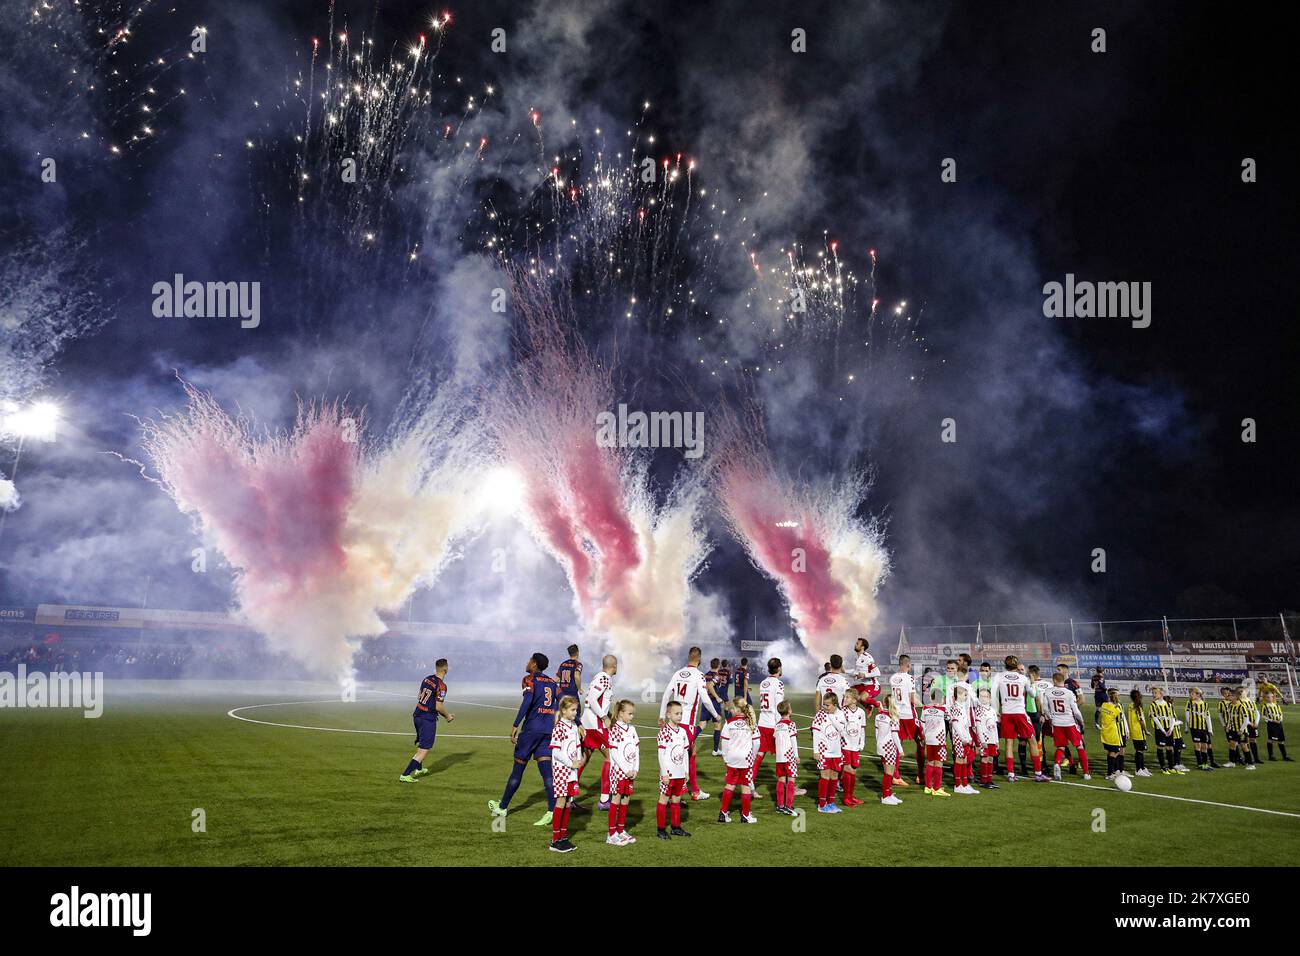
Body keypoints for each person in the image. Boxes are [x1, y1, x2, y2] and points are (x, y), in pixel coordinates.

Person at [488, 653, 560, 826]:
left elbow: (527, 702)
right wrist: (577, 722)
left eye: (529, 660)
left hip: (530, 731)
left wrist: (515, 724)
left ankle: (502, 808)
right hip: (547, 732)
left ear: (534, 664)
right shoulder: (552, 683)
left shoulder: (529, 679)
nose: (527, 663)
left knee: (518, 769)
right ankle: (552, 810)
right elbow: (563, 701)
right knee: (547, 774)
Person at [659, 646, 720, 800]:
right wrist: (715, 714)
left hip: (673, 722)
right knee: (689, 756)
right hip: (686, 724)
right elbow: (705, 699)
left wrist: (662, 716)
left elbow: (667, 694)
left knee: (675, 755)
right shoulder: (699, 675)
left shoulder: (678, 673)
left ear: (688, 657)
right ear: (699, 659)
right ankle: (693, 792)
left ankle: (676, 792)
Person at [992, 655, 1047, 783]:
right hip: (1020, 713)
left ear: (1004, 664)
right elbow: (1033, 694)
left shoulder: (999, 676)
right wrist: (1032, 682)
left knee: (1009, 743)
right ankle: (1038, 773)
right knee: (1032, 741)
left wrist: (996, 711)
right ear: (1017, 666)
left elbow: (994, 694)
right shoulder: (1023, 678)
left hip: (1006, 713)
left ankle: (1011, 774)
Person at [400, 658, 454, 782]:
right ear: (445, 669)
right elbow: (438, 707)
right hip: (427, 718)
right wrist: (448, 716)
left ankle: (419, 769)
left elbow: (419, 695)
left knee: (421, 744)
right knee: (425, 749)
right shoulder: (442, 686)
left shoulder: (427, 678)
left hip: (417, 714)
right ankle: (406, 774)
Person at [578, 654, 618, 809]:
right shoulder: (604, 678)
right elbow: (592, 700)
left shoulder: (599, 677)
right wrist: (604, 717)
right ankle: (604, 800)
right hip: (595, 723)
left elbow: (596, 701)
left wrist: (608, 716)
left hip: (588, 722)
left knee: (583, 758)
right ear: (614, 666)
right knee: (611, 756)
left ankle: (568, 798)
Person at [548, 696, 584, 853]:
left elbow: (577, 746)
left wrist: (580, 759)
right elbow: (556, 752)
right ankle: (555, 841)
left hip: (572, 770)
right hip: (562, 770)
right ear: (563, 710)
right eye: (572, 710)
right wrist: (570, 763)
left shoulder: (574, 727)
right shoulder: (559, 728)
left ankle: (563, 837)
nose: (575, 713)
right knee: (561, 802)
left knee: (569, 802)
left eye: (576, 710)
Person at [718, 700, 760, 824]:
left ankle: (723, 813)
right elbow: (757, 742)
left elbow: (724, 742)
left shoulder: (729, 723)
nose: (730, 710)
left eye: (732, 708)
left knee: (730, 784)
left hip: (732, 759)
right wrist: (752, 757)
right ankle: (745, 816)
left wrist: (726, 758)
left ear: (737, 710)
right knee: (746, 785)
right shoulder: (751, 723)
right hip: (745, 759)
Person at [1042, 672, 1090, 780]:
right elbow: (1076, 711)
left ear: (1054, 680)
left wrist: (1050, 718)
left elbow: (1045, 708)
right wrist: (1081, 721)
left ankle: (1056, 764)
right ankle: (1086, 773)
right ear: (1063, 680)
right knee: (1079, 746)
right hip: (1069, 723)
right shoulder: (1069, 693)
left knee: (1061, 747)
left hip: (1057, 724)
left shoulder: (1048, 692)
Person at [656, 701, 693, 839]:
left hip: (680, 773)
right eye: (676, 713)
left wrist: (686, 771)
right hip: (668, 773)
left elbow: (685, 753)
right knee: (664, 799)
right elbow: (661, 754)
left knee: (677, 799)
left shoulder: (683, 732)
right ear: (668, 714)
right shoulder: (664, 732)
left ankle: (676, 827)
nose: (679, 716)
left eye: (681, 713)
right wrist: (664, 772)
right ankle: (660, 829)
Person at [606, 699, 640, 845]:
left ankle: (621, 830)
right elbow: (614, 752)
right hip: (619, 772)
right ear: (620, 713)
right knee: (616, 799)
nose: (632, 717)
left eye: (633, 714)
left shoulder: (631, 729)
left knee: (626, 799)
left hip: (630, 772)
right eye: (630, 714)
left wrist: (635, 768)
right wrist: (626, 769)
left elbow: (636, 750)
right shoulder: (615, 729)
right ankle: (611, 834)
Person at [752, 657, 784, 797]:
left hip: (762, 723)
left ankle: (750, 787)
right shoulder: (779, 684)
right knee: (784, 756)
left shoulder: (763, 682)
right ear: (779, 668)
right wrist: (780, 726)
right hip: (772, 724)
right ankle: (789, 787)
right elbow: (779, 707)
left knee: (759, 757)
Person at [889, 655, 920, 787]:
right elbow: (912, 699)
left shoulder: (892, 678)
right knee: (921, 741)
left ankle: (895, 776)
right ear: (908, 665)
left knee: (897, 743)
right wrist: (924, 705)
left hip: (896, 714)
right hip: (908, 714)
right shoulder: (910, 678)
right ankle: (920, 775)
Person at [811, 690, 845, 813]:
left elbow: (842, 729)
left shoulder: (840, 714)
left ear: (835, 705)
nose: (825, 707)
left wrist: (832, 716)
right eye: (824, 704)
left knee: (834, 777)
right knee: (825, 776)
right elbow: (815, 733)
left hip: (836, 751)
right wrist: (816, 751)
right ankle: (822, 805)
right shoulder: (820, 715)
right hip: (824, 751)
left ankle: (831, 803)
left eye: (827, 705)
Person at [838, 688, 867, 806]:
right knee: (848, 770)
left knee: (854, 770)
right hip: (845, 745)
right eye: (844, 697)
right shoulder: (842, 711)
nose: (845, 699)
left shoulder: (861, 712)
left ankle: (851, 795)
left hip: (855, 745)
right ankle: (846, 798)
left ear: (854, 700)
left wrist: (862, 743)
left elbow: (863, 729)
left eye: (847, 697)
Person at [949, 684, 979, 795]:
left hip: (965, 737)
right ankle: (958, 785)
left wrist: (969, 737)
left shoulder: (961, 707)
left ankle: (965, 784)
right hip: (959, 738)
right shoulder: (955, 707)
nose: (966, 697)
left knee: (965, 759)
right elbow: (956, 724)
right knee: (959, 759)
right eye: (964, 695)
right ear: (958, 696)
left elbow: (965, 724)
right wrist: (962, 738)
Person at [1149, 686, 1186, 774]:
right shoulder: (1153, 705)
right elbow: (1155, 719)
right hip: (1160, 729)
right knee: (1160, 747)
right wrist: (1163, 730)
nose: (1153, 695)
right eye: (1153, 693)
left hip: (1169, 729)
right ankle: (1163, 767)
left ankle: (1171, 767)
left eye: (1155, 693)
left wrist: (1171, 729)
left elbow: (1172, 717)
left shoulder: (1168, 705)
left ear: (1161, 694)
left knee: (1170, 747)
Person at [920, 687, 950, 797]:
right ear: (941, 698)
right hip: (939, 740)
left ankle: (928, 787)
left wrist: (924, 737)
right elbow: (950, 719)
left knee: (929, 762)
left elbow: (921, 724)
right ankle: (937, 788)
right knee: (938, 763)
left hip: (929, 738)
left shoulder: (925, 708)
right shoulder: (944, 709)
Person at [875, 693, 905, 805]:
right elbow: (895, 735)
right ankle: (885, 796)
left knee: (888, 772)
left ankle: (889, 794)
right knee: (889, 773)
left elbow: (877, 732)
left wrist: (878, 745)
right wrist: (900, 750)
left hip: (881, 745)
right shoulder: (893, 716)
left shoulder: (879, 715)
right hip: (889, 746)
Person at [773, 700, 801, 816]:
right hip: (789, 756)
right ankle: (788, 806)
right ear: (789, 711)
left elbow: (775, 739)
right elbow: (793, 740)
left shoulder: (777, 725)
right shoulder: (791, 724)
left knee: (781, 780)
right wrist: (796, 756)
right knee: (791, 780)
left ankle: (780, 806)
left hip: (779, 757)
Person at [972, 687, 1000, 789]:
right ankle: (983, 781)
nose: (984, 698)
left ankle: (989, 780)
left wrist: (996, 740)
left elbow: (995, 726)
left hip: (992, 738)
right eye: (982, 696)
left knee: (991, 759)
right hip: (985, 739)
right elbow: (979, 727)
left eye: (986, 696)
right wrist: (982, 741)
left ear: (990, 697)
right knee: (985, 758)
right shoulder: (979, 710)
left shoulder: (992, 710)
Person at [1099, 688, 1128, 779]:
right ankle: (1110, 773)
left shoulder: (1104, 705)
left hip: (1104, 732)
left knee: (1110, 752)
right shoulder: (1116, 709)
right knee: (1115, 752)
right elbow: (1119, 721)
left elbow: (1100, 711)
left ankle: (1112, 772)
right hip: (1113, 733)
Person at [1184, 687, 1216, 771]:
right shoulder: (1189, 703)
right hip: (1194, 728)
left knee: (1204, 746)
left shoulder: (1205, 704)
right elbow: (1187, 716)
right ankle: (1200, 764)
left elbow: (1207, 717)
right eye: (1190, 694)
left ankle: (1205, 764)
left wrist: (1210, 729)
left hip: (1203, 728)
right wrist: (1187, 727)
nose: (1191, 696)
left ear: (1198, 694)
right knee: (1197, 745)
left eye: (1192, 694)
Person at [850, 637, 882, 713]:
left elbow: (878, 673)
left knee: (862, 698)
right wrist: (846, 672)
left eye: (857, 644)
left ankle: (878, 704)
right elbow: (857, 672)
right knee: (849, 692)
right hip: (864, 684)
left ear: (862, 647)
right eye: (856, 643)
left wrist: (864, 675)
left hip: (873, 685)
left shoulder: (867, 658)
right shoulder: (857, 658)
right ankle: (868, 706)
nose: (855, 644)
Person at [1126, 689, 1152, 777]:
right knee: (1140, 750)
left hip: (1133, 731)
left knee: (1140, 750)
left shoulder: (1131, 706)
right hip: (1139, 732)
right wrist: (1146, 730)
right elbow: (1141, 721)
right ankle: (1138, 769)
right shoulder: (1137, 708)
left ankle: (1142, 768)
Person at [703, 658, 725, 755]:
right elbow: (710, 685)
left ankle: (687, 744)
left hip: (705, 702)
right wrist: (717, 697)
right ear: (718, 665)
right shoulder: (717, 676)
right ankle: (715, 750)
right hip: (713, 702)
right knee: (718, 724)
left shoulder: (705, 674)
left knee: (701, 725)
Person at [1261, 690, 1290, 761]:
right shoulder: (1264, 706)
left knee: (1281, 740)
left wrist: (1280, 719)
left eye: (1270, 697)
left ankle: (1285, 756)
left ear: (1273, 697)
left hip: (1279, 724)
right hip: (1271, 724)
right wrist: (1272, 720)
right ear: (1265, 698)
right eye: (1267, 697)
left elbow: (1280, 714)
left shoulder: (1277, 705)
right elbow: (1263, 716)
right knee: (1271, 739)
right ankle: (1271, 756)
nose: (1269, 698)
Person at [555, 644, 583, 714]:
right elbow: (577, 676)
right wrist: (579, 688)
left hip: (562, 693)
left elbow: (557, 679)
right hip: (572, 693)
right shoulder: (578, 664)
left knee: (559, 714)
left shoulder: (563, 664)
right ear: (577, 652)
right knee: (576, 714)